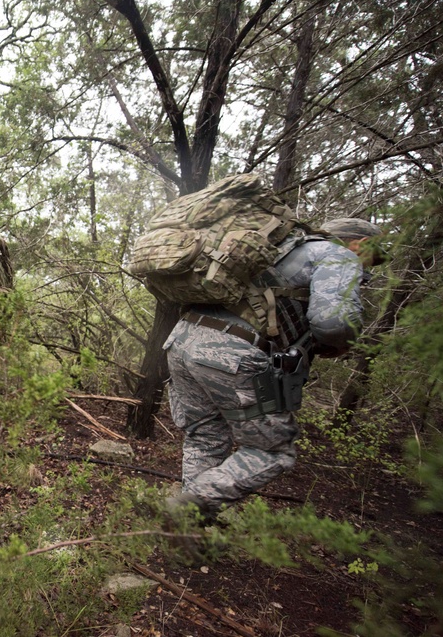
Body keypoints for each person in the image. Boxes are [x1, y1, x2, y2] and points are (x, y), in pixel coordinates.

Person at [163, 217, 382, 523]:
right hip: (230, 354)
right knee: (272, 451)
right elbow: (333, 323)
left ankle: (188, 526)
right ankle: (189, 505)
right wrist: (342, 341)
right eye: (375, 256)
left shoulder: (273, 248)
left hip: (182, 340)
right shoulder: (337, 254)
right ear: (360, 244)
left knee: (205, 437)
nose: (372, 266)